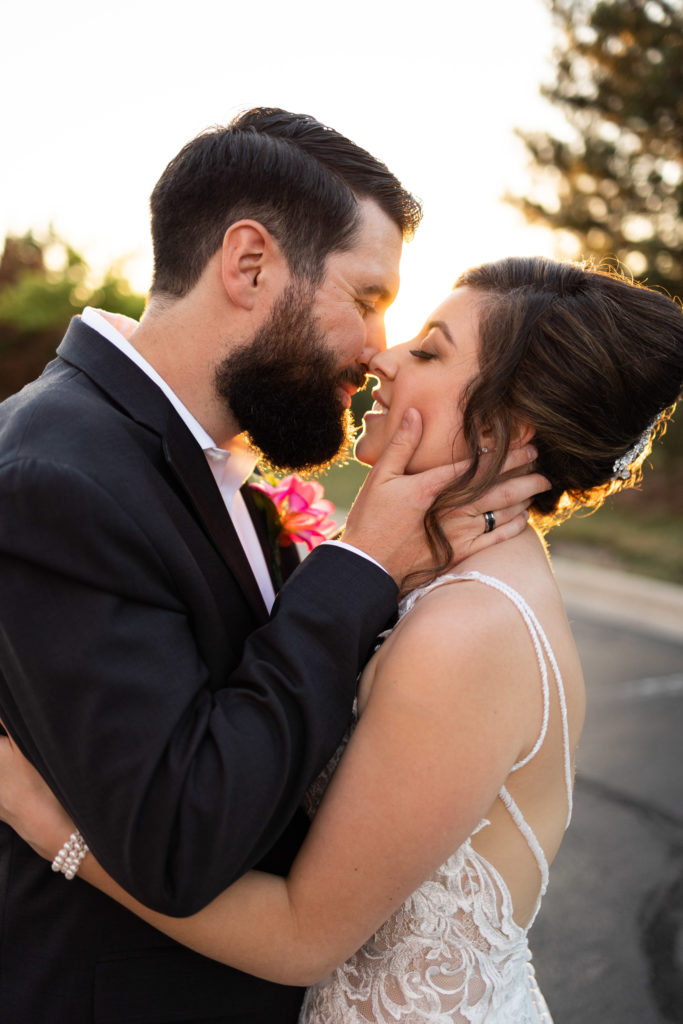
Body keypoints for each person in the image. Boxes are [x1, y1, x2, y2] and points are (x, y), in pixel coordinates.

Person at [1, 255, 680, 1024]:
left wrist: (45, 820)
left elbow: (301, 936)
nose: (381, 358)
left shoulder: (469, 630)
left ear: (503, 427)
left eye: (427, 351)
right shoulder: (434, 578)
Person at [0, 110, 543, 1024]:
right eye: (367, 297)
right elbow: (177, 841)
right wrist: (360, 562)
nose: (378, 348)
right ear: (249, 264)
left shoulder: (191, 455)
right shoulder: (58, 476)